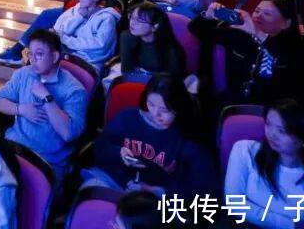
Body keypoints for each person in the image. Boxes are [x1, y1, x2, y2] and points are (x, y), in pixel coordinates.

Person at [82, 74, 216, 197]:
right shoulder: (128, 117)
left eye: (164, 110)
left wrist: (153, 190)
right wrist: (119, 152)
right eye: (151, 104)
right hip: (116, 182)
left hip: (159, 197)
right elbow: (100, 147)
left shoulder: (187, 136)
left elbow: (202, 187)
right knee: (90, 194)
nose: (155, 114)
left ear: (178, 108)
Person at [0, 29, 89, 191]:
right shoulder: (24, 74)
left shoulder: (74, 90)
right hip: (13, 148)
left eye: (39, 54)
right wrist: (20, 109)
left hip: (46, 161)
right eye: (30, 54)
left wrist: (47, 98)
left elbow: (68, 133)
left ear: (55, 56)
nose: (32, 59)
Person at [223, 100, 304, 229]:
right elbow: (233, 203)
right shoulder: (245, 150)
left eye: (282, 131)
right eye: (268, 124)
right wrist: (291, 225)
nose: (272, 134)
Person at [195, 0, 304, 110]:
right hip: (234, 104)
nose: (258, 16)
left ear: (285, 24)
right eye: (257, 10)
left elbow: (273, 72)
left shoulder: (296, 47)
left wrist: (258, 34)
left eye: (267, 14)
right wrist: (207, 15)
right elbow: (198, 31)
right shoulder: (240, 34)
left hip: (273, 108)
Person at [118, 2, 185, 78]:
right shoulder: (127, 37)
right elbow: (126, 70)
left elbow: (173, 79)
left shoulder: (171, 51)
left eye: (139, 21)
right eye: (132, 17)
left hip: (161, 81)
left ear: (155, 26)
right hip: (136, 78)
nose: (132, 23)